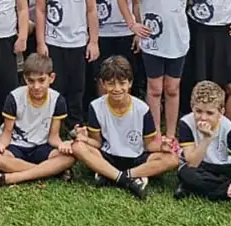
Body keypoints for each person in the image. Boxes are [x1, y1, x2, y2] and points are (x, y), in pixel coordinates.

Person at [72, 55, 178, 199]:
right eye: (111, 83)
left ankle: (113, 175)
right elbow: (97, 143)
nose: (117, 89)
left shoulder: (142, 108)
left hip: (136, 157)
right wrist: (84, 139)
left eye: (122, 83)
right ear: (103, 84)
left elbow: (149, 144)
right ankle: (128, 180)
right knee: (78, 147)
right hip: (108, 156)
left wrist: (162, 147)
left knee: (172, 158)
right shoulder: (96, 106)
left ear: (130, 83)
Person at [120, 0, 191, 140]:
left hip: (178, 42)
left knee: (172, 88)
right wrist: (133, 24)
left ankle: (170, 134)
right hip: (153, 43)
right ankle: (155, 134)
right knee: (154, 88)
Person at [35, 0, 100, 129]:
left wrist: (94, 41)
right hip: (54, 41)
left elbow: (91, 11)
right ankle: (53, 124)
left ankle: (75, 125)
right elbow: (40, 11)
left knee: (77, 86)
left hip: (78, 41)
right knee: (56, 85)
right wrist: (41, 42)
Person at [0, 54, 75, 188]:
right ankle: (50, 171)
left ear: (51, 78)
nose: (36, 86)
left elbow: (53, 136)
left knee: (69, 157)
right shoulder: (14, 97)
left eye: (41, 80)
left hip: (42, 147)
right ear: (25, 79)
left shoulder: (57, 100)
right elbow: (7, 132)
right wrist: (0, 144)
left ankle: (13, 177)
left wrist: (62, 145)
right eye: (31, 81)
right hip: (16, 146)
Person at [173, 80, 231, 201]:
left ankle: (200, 190)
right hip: (200, 166)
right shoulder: (186, 123)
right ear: (192, 108)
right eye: (199, 111)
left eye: (210, 113)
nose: (203, 117)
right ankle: (222, 190)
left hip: (223, 165)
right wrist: (206, 138)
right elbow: (192, 163)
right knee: (186, 174)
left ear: (221, 112)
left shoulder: (227, 126)